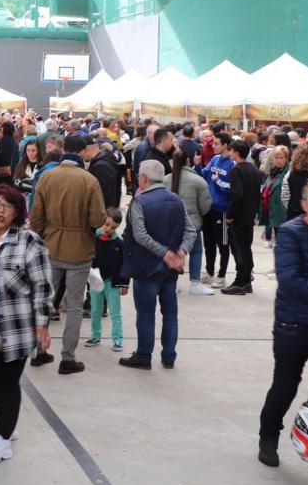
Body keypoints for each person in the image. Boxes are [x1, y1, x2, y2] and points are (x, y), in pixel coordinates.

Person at [0, 184, 53, 465]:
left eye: (7, 206)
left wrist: (42, 325)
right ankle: (6, 425)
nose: (1, 210)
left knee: (7, 379)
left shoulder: (30, 242)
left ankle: (2, 438)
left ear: (17, 211)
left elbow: (43, 285)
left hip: (18, 326)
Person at [28, 133, 106, 375]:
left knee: (44, 301)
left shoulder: (47, 176)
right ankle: (68, 357)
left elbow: (36, 216)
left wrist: (43, 237)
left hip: (50, 246)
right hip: (79, 250)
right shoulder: (89, 180)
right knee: (73, 305)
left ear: (63, 152)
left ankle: (39, 351)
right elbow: (98, 219)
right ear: (82, 153)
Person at [256, 179, 308, 467]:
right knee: (285, 385)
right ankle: (268, 436)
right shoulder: (291, 233)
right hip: (293, 326)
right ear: (304, 204)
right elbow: (291, 280)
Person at [118, 160, 195, 370]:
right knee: (170, 314)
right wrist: (180, 252)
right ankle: (169, 356)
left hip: (146, 268)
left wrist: (165, 253)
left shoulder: (140, 203)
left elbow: (140, 235)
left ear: (143, 179)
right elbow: (191, 231)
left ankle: (144, 356)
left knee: (145, 314)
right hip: (169, 271)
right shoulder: (176, 200)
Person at [170, 148, 214, 296]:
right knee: (196, 251)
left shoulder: (165, 180)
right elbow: (205, 205)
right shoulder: (198, 181)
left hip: (171, 224)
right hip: (193, 223)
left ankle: (173, 282)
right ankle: (195, 282)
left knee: (174, 251)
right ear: (188, 161)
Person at [223, 139, 263, 295]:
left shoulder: (236, 170)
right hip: (250, 215)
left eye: (232, 150)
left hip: (239, 216)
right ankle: (246, 280)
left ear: (236, 153)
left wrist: (230, 215)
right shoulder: (254, 169)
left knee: (239, 249)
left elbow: (237, 194)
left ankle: (240, 281)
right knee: (246, 248)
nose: (230, 153)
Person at [85, 208, 127, 351]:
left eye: (113, 227)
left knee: (115, 312)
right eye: (107, 224)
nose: (109, 229)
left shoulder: (119, 244)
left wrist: (124, 283)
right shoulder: (93, 239)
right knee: (95, 310)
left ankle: (117, 339)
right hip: (96, 280)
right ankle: (95, 336)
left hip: (112, 282)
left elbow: (124, 264)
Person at [201, 132, 235, 288]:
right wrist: (195, 165)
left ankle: (221, 276)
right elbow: (203, 174)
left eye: (216, 143)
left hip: (222, 209)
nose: (213, 146)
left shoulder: (232, 164)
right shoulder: (214, 159)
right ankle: (209, 273)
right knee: (208, 243)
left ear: (226, 145)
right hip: (208, 208)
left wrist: (217, 180)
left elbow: (232, 188)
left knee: (222, 244)